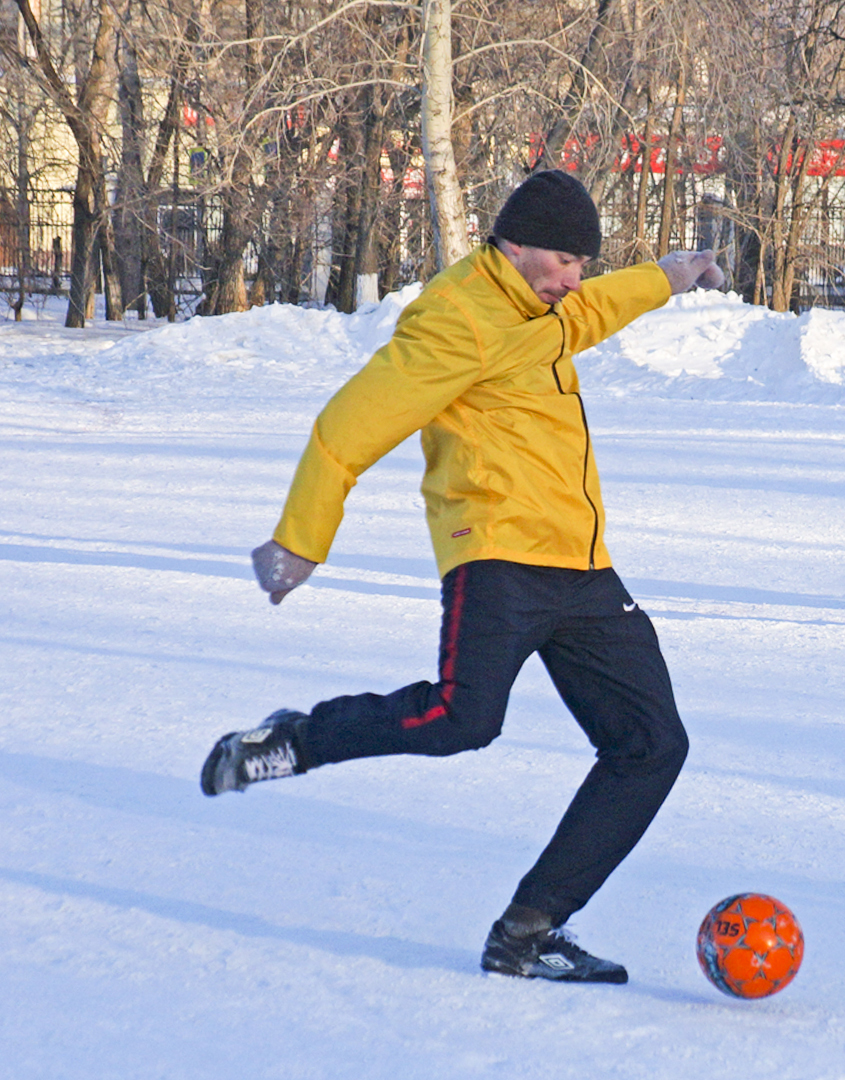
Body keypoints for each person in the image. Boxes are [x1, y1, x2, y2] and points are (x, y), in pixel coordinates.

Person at [200, 170, 728, 984]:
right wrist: (303, 539)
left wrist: (671, 273)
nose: (574, 281)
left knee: (652, 744)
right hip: (497, 558)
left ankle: (528, 931)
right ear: (513, 247)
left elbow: (595, 308)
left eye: (583, 264)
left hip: (581, 566)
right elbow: (350, 425)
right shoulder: (454, 322)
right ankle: (294, 742)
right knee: (462, 720)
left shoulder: (546, 308)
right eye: (562, 261)